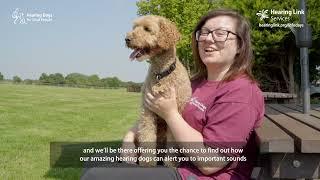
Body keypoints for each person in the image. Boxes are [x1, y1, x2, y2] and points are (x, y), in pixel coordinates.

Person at [81, 9, 265, 180]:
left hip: (198, 174)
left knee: (96, 176)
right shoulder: (195, 82)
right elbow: (154, 113)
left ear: (240, 45)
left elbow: (210, 163)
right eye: (204, 33)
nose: (209, 39)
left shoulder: (241, 93)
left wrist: (170, 114)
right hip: (173, 160)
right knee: (92, 161)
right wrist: (129, 137)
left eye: (220, 33)